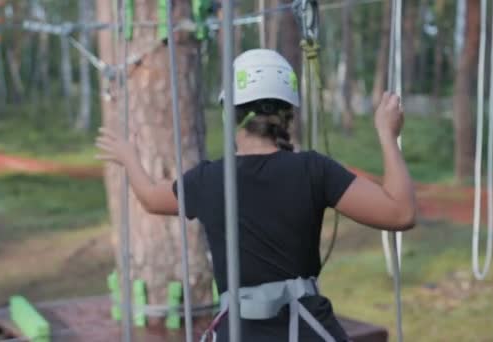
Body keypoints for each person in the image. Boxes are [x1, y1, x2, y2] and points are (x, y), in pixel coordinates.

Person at [96, 49, 417, 342]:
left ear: (229, 114)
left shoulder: (208, 179)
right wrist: (388, 135)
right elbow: (400, 213)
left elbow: (151, 199)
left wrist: (129, 158)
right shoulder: (313, 170)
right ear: (288, 115)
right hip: (308, 331)